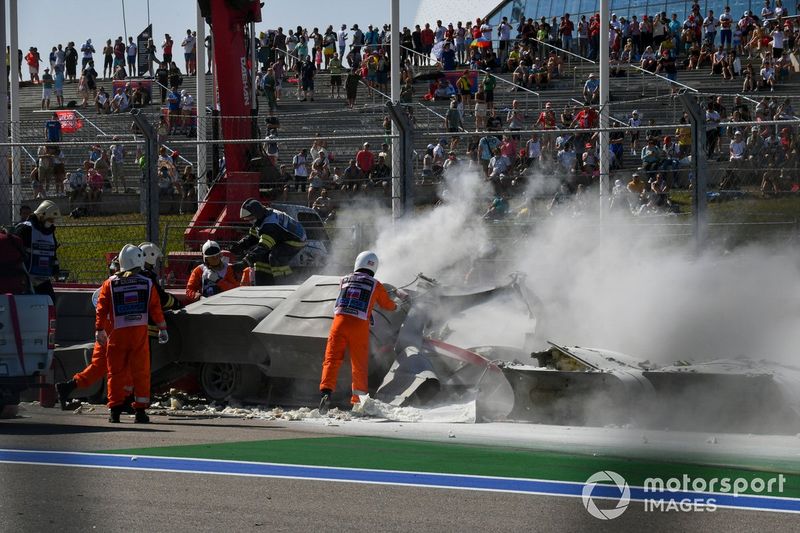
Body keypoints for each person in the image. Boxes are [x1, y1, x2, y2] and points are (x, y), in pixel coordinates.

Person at [318, 251, 404, 413]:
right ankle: (357, 402)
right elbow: (386, 304)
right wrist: (396, 306)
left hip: (339, 324)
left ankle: (326, 393)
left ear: (357, 263)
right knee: (359, 365)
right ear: (374, 267)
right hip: (359, 326)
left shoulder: (344, 280)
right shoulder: (376, 284)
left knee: (331, 359)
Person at [94, 244, 168, 423]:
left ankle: (115, 412)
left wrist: (99, 329)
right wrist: (162, 328)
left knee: (115, 373)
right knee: (141, 372)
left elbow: (101, 308)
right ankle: (140, 412)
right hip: (139, 335)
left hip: (117, 335)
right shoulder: (147, 283)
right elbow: (155, 308)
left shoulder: (109, 283)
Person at [231, 199, 307, 286]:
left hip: (295, 240)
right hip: (282, 237)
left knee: (275, 257)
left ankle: (286, 284)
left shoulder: (269, 225)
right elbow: (253, 237)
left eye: (251, 219)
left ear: (257, 215)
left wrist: (245, 262)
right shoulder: (262, 218)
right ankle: (264, 285)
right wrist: (237, 246)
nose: (250, 221)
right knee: (261, 259)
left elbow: (263, 247)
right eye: (248, 219)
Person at [14, 200, 61, 301]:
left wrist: (56, 269)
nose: (51, 222)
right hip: (25, 277)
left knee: (50, 301)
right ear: (42, 215)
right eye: (50, 219)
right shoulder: (25, 229)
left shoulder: (50, 232)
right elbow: (14, 251)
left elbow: (53, 254)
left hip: (43, 278)